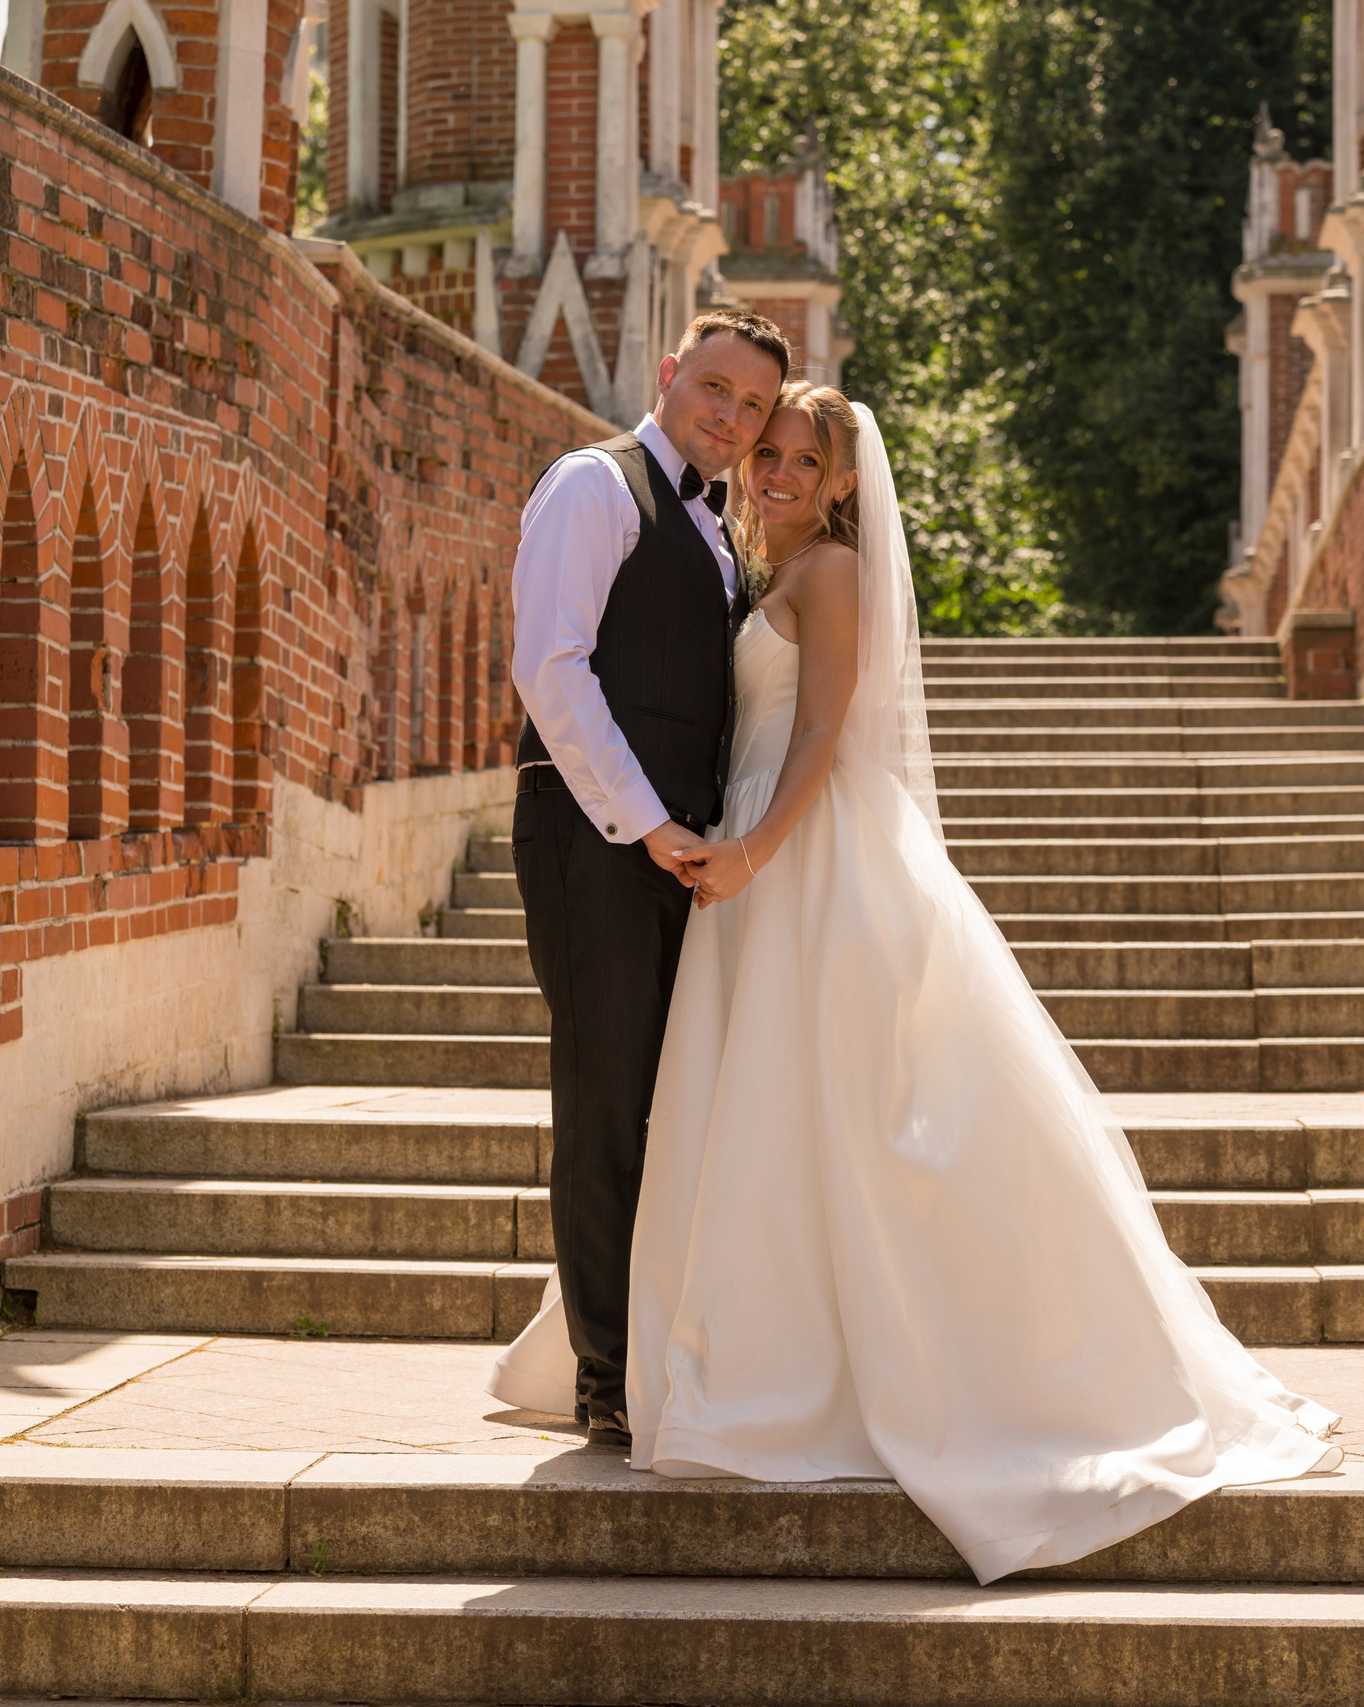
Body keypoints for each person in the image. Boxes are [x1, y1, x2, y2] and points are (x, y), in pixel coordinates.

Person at [491, 382, 1343, 1584]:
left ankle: (849, 1371)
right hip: (744, 857)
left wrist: (754, 849)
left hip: (808, 857)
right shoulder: (748, 555)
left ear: (846, 483)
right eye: (769, 449)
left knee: (848, 1112)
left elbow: (825, 732)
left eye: (805, 459)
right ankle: (732, 1348)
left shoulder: (826, 573)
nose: (779, 470)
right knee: (760, 1116)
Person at [505, 307, 793, 1452]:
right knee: (605, 1097)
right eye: (715, 389)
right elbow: (550, 664)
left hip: (681, 852)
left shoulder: (719, 527)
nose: (730, 417)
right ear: (669, 374)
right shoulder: (593, 484)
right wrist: (646, 823)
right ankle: (604, 1372)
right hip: (595, 843)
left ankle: (658, 1344)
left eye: (755, 405)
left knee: (666, 1100)